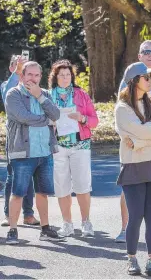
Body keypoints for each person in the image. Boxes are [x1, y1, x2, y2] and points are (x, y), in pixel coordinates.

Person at [115, 62, 151, 276]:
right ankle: (131, 258)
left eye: (150, 77)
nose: (150, 80)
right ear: (134, 81)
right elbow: (142, 131)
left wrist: (140, 141)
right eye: (146, 77)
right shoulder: (122, 108)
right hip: (133, 167)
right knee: (136, 216)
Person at [4, 61, 63, 244]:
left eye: (37, 75)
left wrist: (40, 97)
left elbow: (56, 115)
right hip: (22, 153)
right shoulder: (13, 94)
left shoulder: (44, 93)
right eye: (30, 75)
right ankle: (13, 230)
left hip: (44, 152)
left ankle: (45, 229)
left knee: (43, 192)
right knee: (18, 192)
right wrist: (46, 121)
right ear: (21, 76)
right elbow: (23, 117)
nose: (33, 78)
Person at [115, 40, 151, 243]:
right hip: (133, 147)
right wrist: (145, 135)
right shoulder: (130, 79)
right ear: (140, 55)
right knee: (130, 189)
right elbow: (126, 123)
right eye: (146, 51)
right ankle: (125, 228)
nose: (150, 54)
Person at [48, 60, 99, 237]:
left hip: (80, 145)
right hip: (57, 147)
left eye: (68, 74)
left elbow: (94, 121)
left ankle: (86, 222)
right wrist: (50, 123)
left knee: (83, 185)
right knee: (61, 186)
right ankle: (67, 224)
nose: (65, 78)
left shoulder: (81, 94)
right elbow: (40, 120)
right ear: (55, 77)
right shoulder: (48, 96)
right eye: (61, 75)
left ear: (72, 76)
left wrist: (82, 118)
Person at [1, 55, 40, 227]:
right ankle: (9, 215)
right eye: (15, 66)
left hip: (33, 138)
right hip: (16, 139)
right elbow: (9, 90)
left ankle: (28, 214)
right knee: (13, 176)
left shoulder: (34, 87)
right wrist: (17, 73)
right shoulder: (7, 86)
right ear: (11, 69)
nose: (18, 67)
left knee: (29, 175)